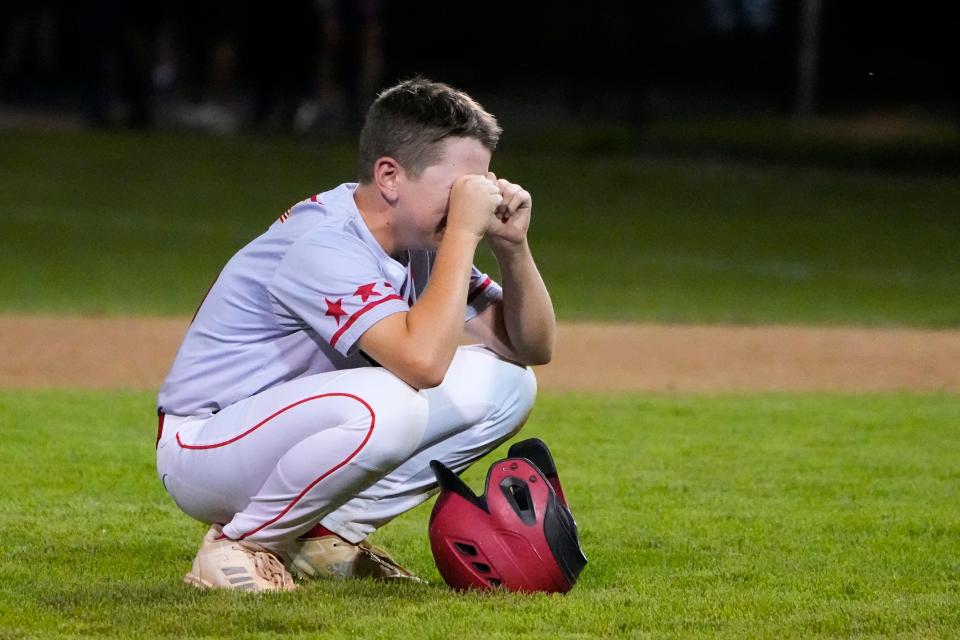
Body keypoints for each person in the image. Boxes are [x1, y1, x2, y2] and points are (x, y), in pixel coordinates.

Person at [155, 77, 555, 591]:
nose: (474, 200)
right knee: (394, 400)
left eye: (481, 184)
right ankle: (243, 542)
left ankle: (325, 536)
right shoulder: (323, 242)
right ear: (389, 175)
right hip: (207, 446)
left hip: (288, 431)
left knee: (509, 385)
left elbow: (532, 347)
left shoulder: (420, 243)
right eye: (460, 186)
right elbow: (423, 364)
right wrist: (462, 233)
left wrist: (513, 248)